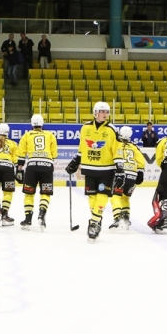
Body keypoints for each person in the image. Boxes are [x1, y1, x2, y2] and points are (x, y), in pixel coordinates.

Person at [65, 101, 121, 242]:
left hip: (106, 169)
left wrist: (119, 165)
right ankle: (97, 218)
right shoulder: (85, 128)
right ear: (95, 113)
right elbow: (82, 147)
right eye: (102, 111)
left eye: (107, 112)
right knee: (92, 196)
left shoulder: (112, 129)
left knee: (102, 194)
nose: (105, 114)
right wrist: (75, 161)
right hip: (89, 168)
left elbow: (117, 149)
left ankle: (94, 222)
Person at [16, 114, 58, 232]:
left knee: (29, 194)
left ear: (32, 124)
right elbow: (54, 154)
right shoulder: (50, 135)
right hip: (47, 166)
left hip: (32, 166)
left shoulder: (26, 135)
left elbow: (21, 154)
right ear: (42, 124)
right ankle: (42, 213)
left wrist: (19, 169)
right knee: (45, 193)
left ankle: (28, 219)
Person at [108, 126, 145, 230]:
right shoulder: (134, 147)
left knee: (115, 196)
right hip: (132, 175)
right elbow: (141, 161)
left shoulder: (116, 144)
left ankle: (117, 218)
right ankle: (126, 217)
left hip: (121, 174)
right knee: (125, 197)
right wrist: (140, 172)